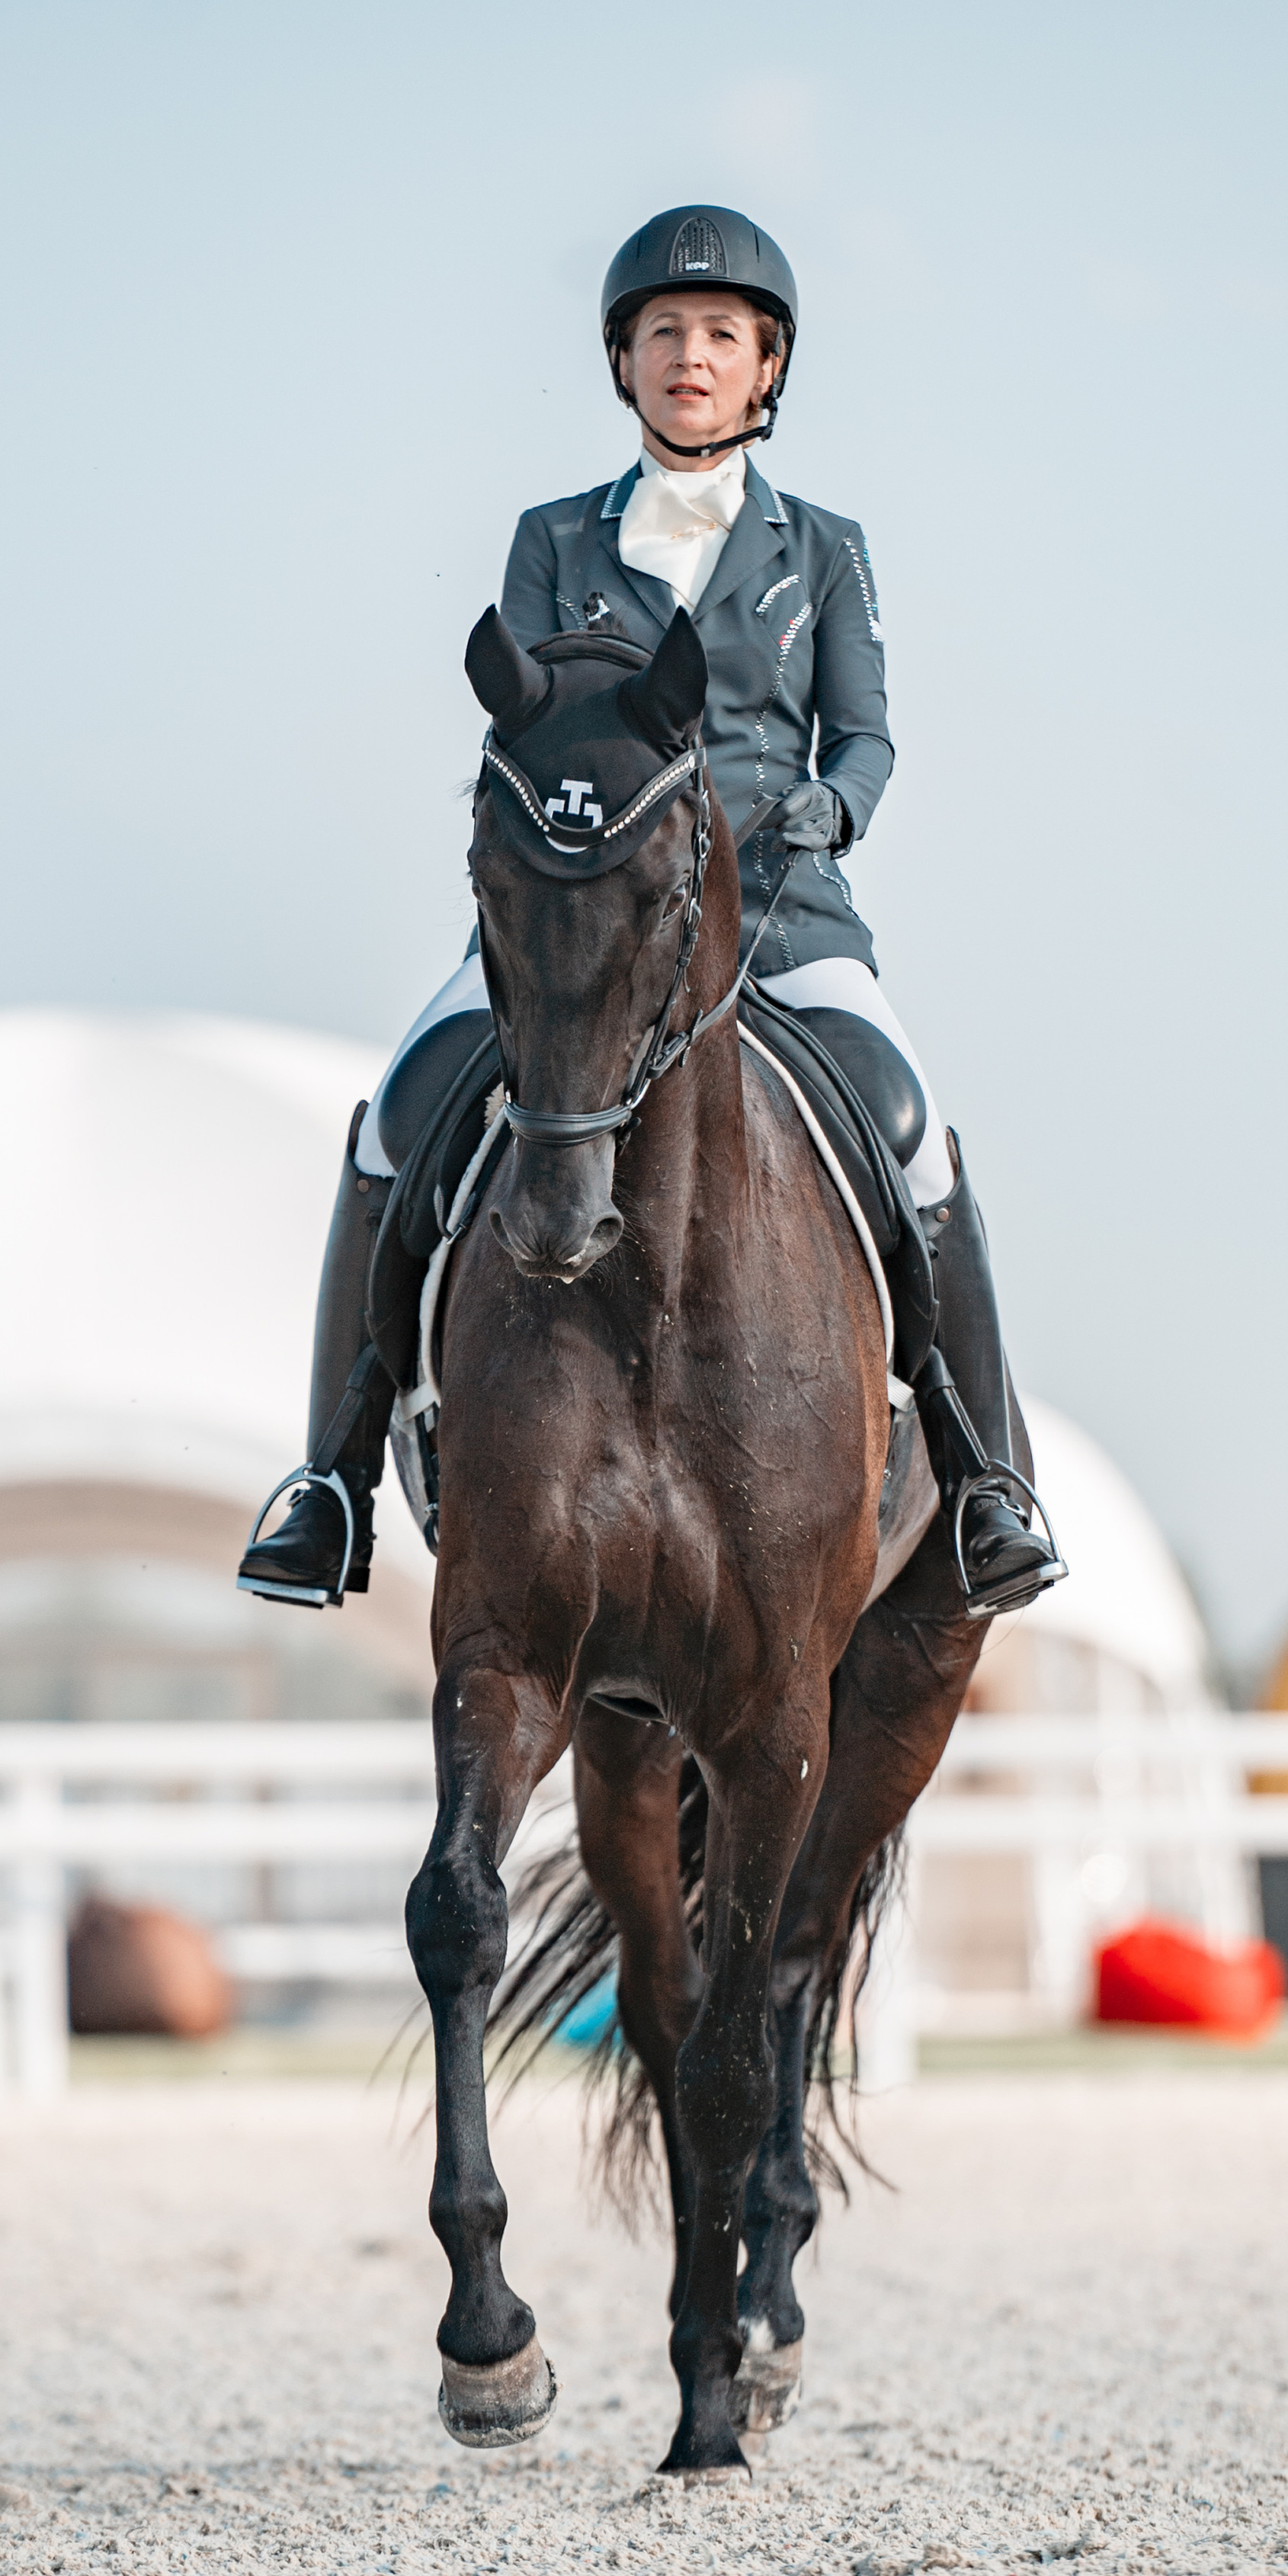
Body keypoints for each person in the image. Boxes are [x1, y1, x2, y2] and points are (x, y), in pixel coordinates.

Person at [238, 204, 1059, 1618]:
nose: (693, 355)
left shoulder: (826, 549)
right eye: (666, 331)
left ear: (765, 369)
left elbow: (866, 734)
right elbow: (526, 726)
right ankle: (332, 1479)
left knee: (916, 1135)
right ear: (624, 362)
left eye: (722, 335)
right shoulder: (553, 540)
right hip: (581, 929)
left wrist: (838, 806)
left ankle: (985, 1478)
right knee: (394, 1121)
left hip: (783, 914)